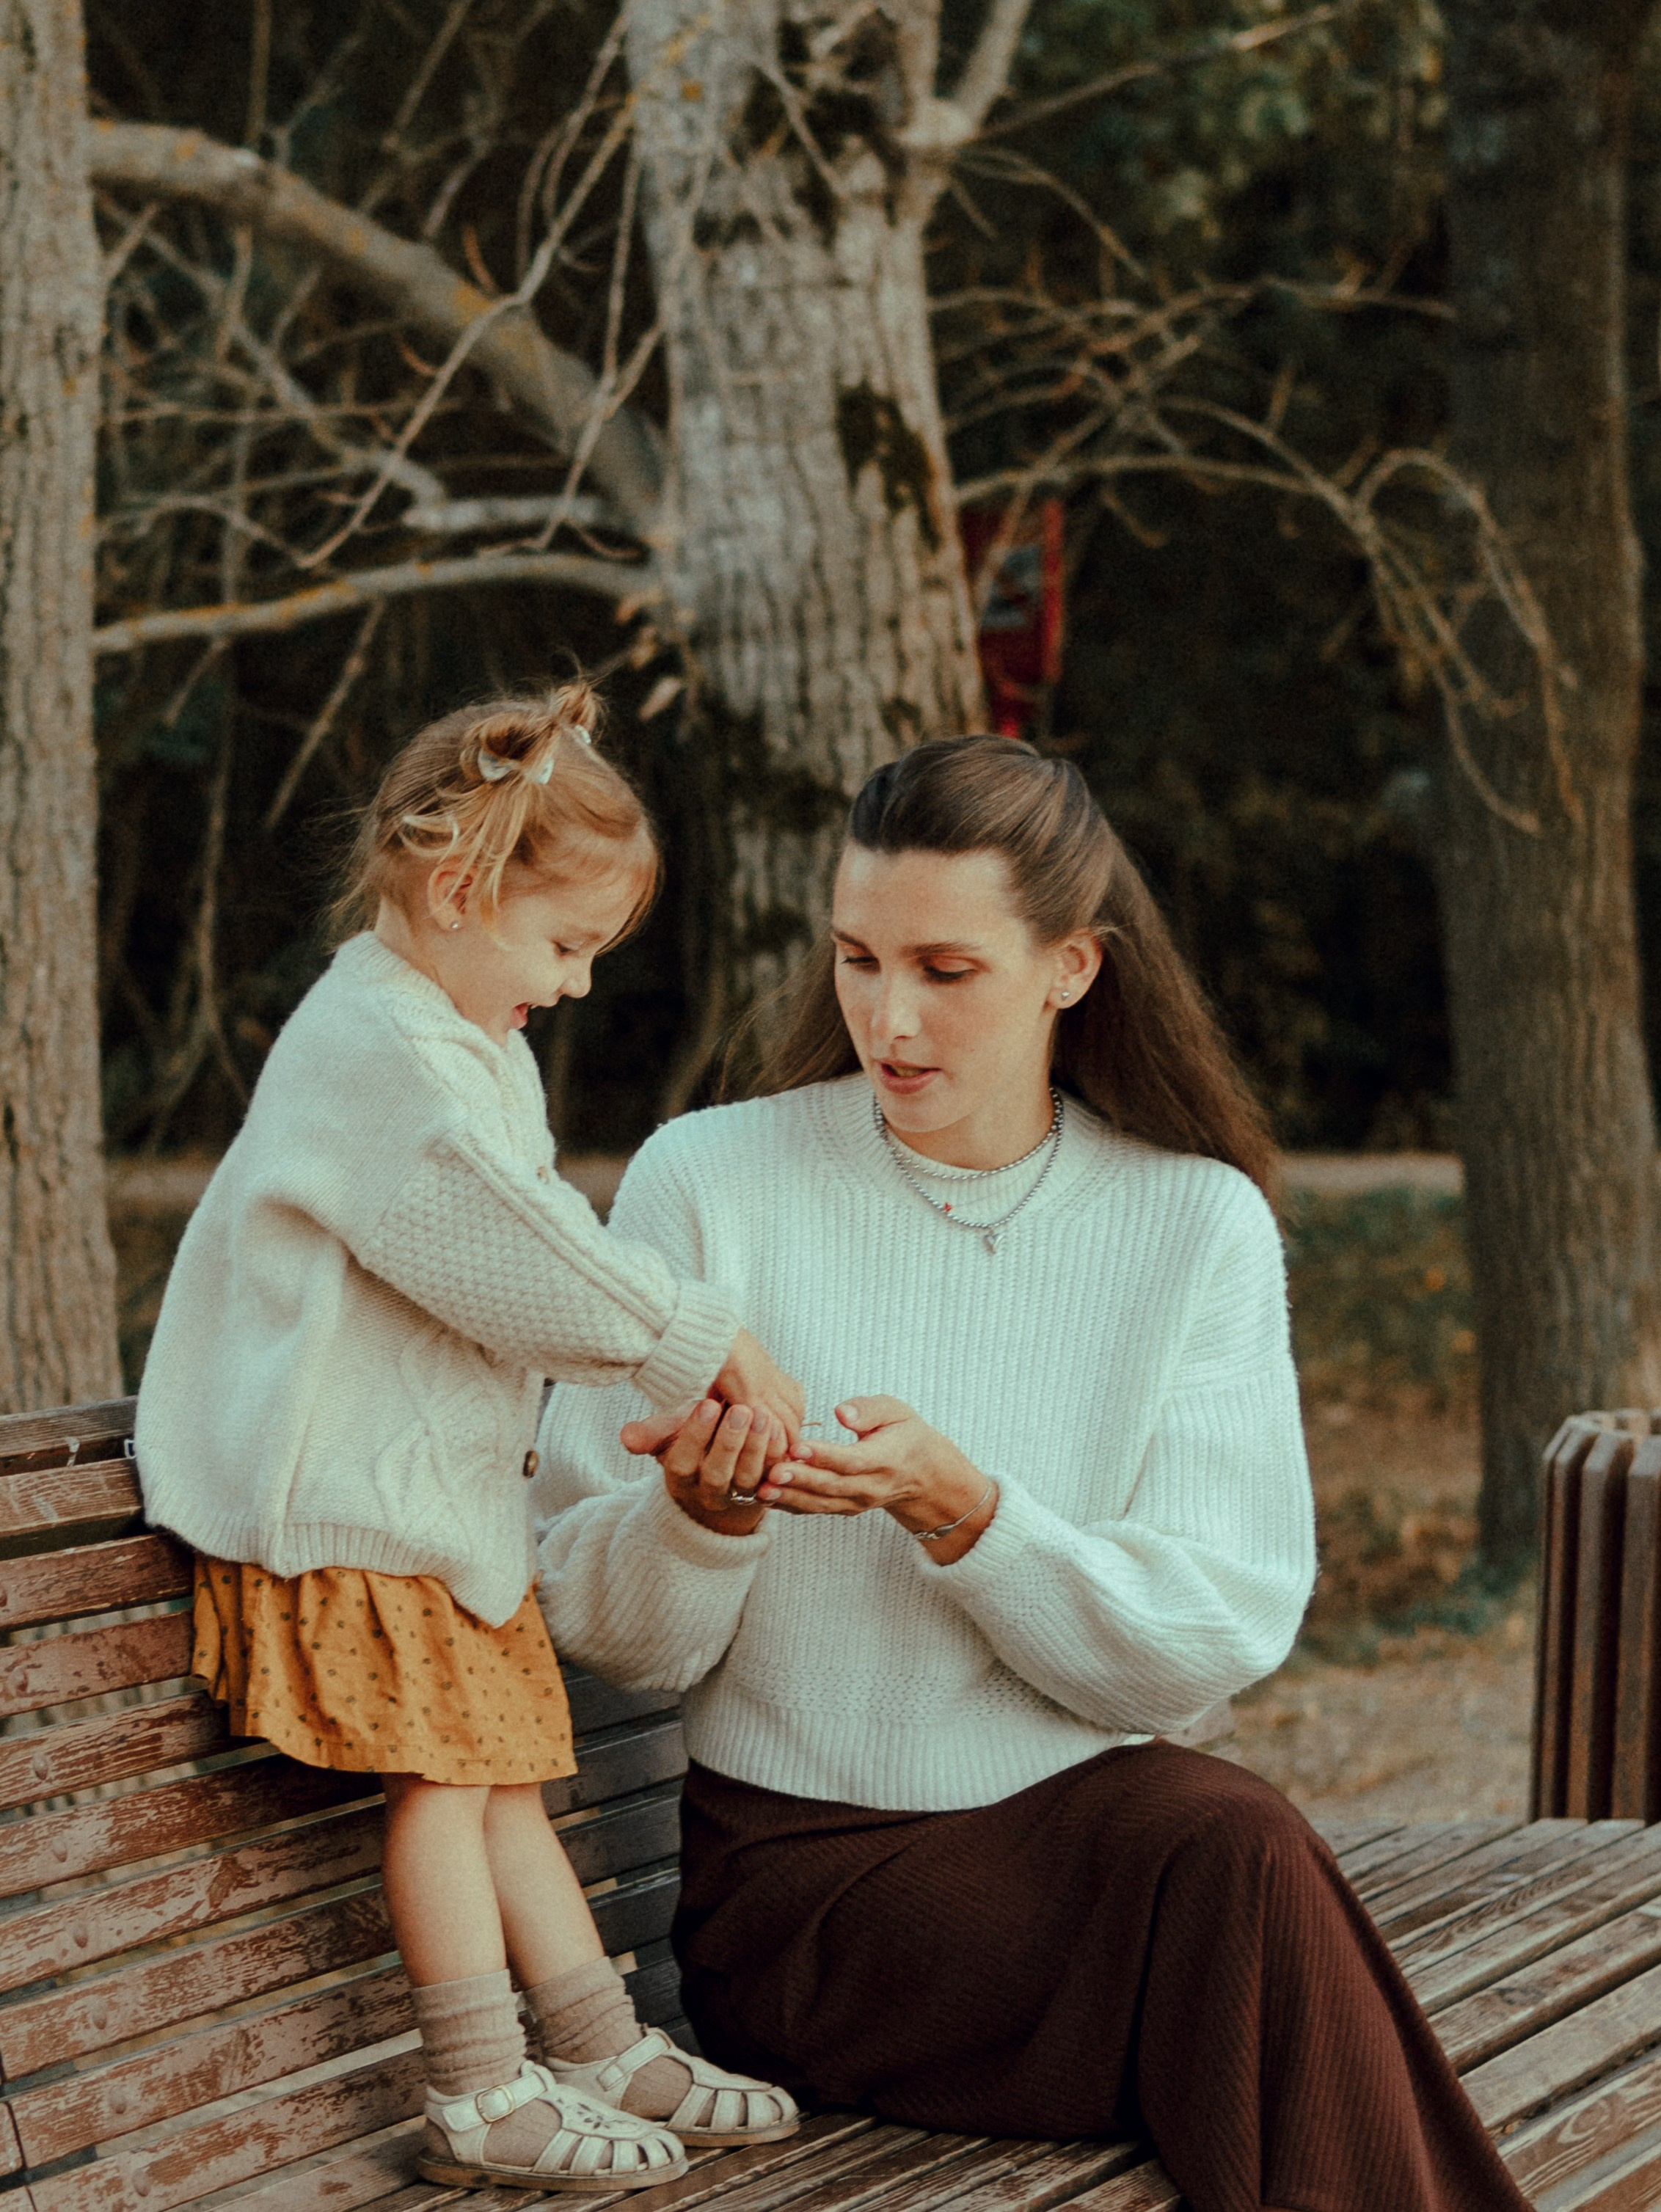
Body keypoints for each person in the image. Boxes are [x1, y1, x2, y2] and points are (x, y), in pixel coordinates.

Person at [533, 735, 1533, 2212]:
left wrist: (968, 1514)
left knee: (1233, 1866)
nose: (887, 1016)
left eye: (947, 968)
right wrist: (697, 1514)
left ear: (1071, 965)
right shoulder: (710, 1178)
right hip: (805, 1900)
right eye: (856, 958)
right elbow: (597, 1615)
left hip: (1089, 1856)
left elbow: (1204, 1634)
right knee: (1246, 1906)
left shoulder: (1193, 1224)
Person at [135, 685, 803, 2194]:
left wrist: (658, 1358)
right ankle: (479, 2085)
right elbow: (507, 1241)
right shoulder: (381, 1046)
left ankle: (597, 2040)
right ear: (458, 890)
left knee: (504, 1779)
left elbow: (525, 1247)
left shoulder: (451, 1027)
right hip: (355, 1512)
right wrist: (702, 1336)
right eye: (563, 946)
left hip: (433, 1505)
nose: (571, 986)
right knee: (450, 1785)